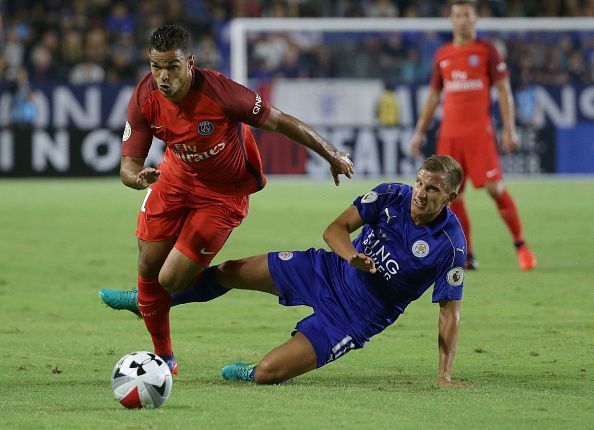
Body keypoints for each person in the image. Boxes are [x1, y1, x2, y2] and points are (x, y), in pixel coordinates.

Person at [99, 25, 354, 375]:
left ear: (190, 62)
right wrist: (137, 178)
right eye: (156, 67)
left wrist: (331, 153)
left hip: (223, 194)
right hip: (174, 177)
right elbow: (128, 164)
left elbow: (280, 121)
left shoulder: (223, 93)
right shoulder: (144, 96)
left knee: (170, 280)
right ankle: (165, 358)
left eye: (172, 66)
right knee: (147, 266)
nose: (162, 76)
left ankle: (147, 301)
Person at [101, 155, 472, 387]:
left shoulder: (450, 245)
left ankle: (252, 371)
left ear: (450, 198)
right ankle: (149, 300)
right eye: (420, 181)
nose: (421, 192)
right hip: (325, 270)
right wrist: (350, 258)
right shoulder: (392, 194)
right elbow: (334, 231)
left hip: (354, 319)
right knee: (232, 270)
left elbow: (448, 313)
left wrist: (444, 375)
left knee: (267, 373)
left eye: (433, 189)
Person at [409, 0, 536, 271]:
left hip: (479, 134)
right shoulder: (443, 54)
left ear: (475, 18)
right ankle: (467, 255)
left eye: (467, 15)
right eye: (458, 15)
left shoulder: (487, 51)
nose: (462, 20)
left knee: (495, 189)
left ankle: (521, 245)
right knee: (452, 195)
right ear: (451, 19)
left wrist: (510, 128)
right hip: (450, 136)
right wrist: (419, 132)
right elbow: (433, 96)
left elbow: (503, 89)